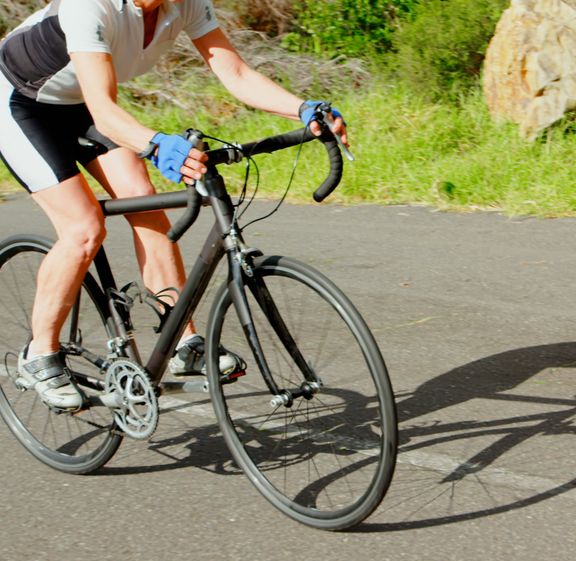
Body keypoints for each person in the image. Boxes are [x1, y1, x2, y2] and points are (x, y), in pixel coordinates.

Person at [0, 0, 347, 410]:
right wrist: (157, 143)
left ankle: (185, 343)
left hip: (78, 104)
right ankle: (40, 354)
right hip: (18, 102)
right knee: (84, 228)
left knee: (143, 200)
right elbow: (106, 112)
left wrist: (303, 108)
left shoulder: (186, 4)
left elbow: (233, 71)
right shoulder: (90, 6)